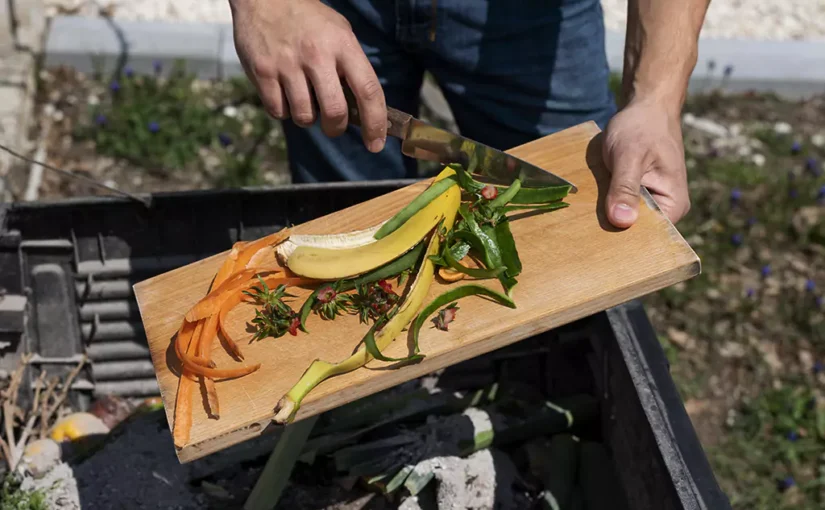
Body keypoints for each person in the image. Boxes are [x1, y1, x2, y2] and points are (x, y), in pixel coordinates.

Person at [228, 0, 709, 229]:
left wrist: (656, 98)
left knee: (590, 219)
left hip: (527, 18)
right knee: (345, 222)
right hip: (320, 10)